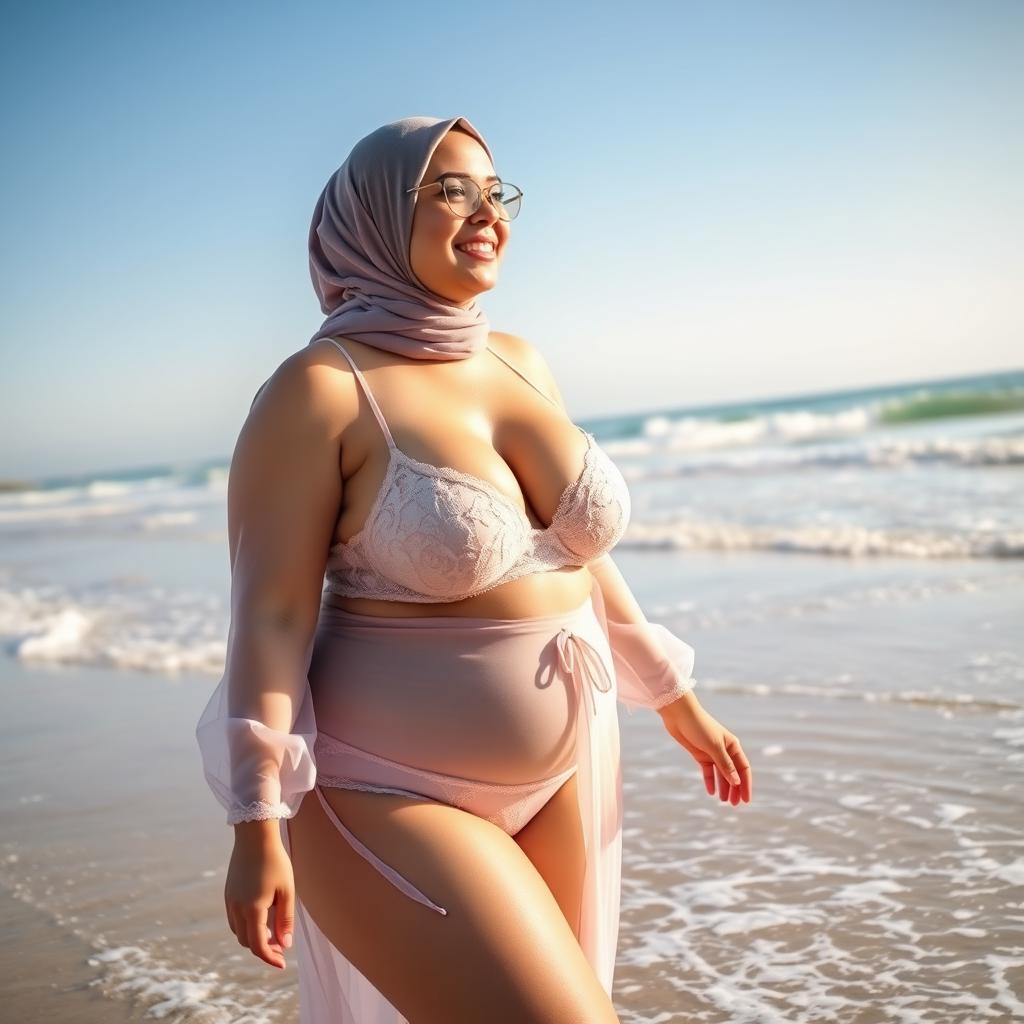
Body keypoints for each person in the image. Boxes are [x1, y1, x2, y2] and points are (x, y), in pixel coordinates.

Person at [195, 114, 752, 1024]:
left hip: (566, 770)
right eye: (450, 189)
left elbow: (575, 554)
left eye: (497, 192)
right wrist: (256, 820)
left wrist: (672, 693)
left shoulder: (521, 360)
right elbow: (270, 620)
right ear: (374, 216)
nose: (486, 211)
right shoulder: (321, 389)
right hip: (383, 792)